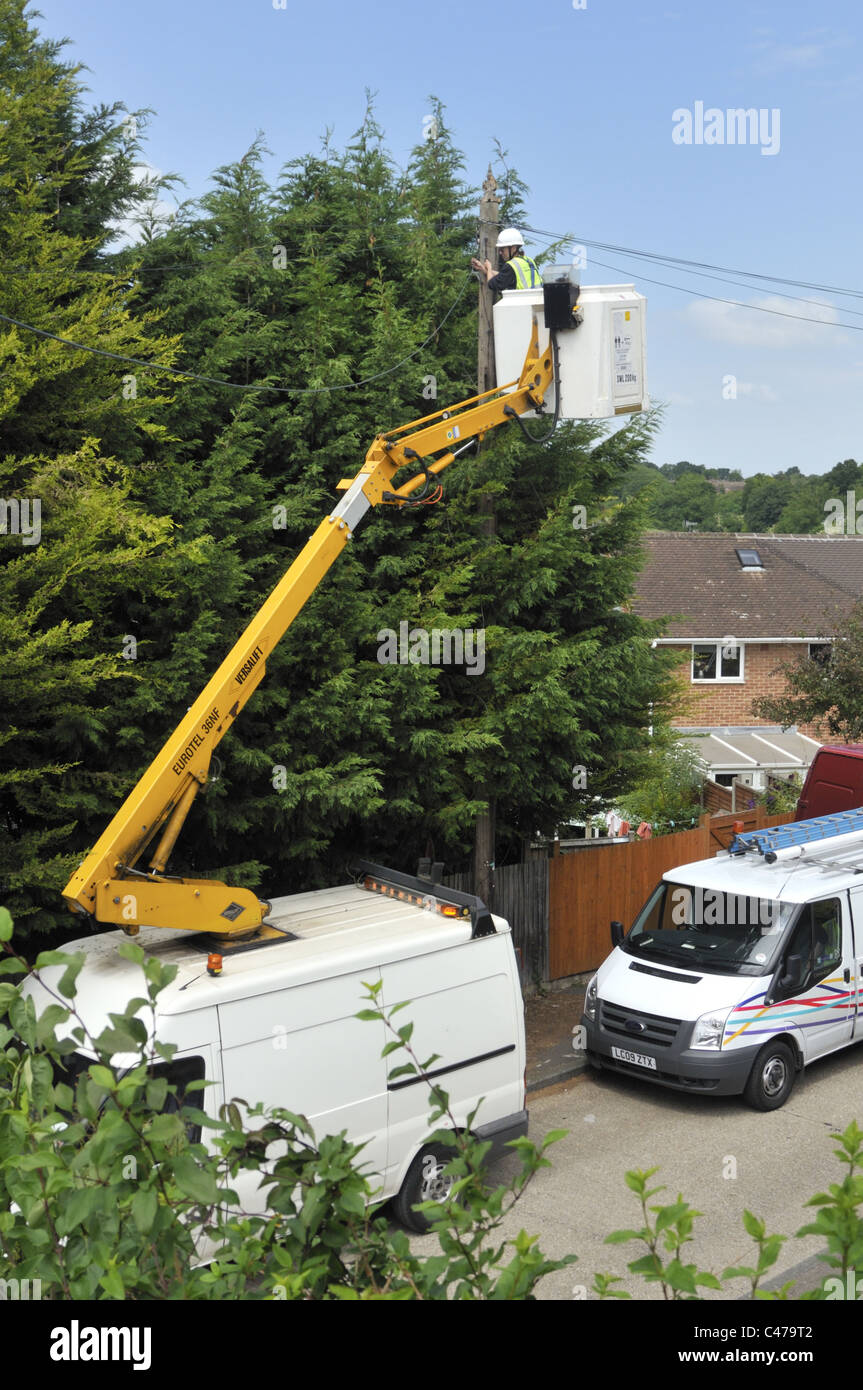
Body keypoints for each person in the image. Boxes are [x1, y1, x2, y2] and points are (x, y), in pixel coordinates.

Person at [471, 228, 542, 293]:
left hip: (523, 304)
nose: (500, 252)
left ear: (513, 248)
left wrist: (489, 268)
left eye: (502, 249)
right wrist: (483, 269)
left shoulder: (511, 265)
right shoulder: (528, 260)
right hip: (538, 302)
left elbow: (492, 284)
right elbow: (504, 276)